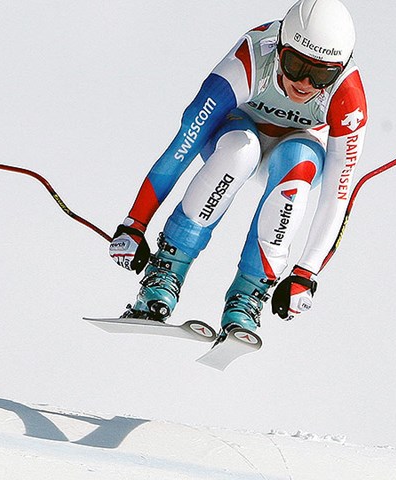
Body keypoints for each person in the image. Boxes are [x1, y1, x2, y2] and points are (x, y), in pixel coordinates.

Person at [108, 0, 367, 337]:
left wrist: (306, 273)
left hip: (298, 148)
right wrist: (135, 223)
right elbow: (182, 148)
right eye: (295, 65)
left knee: (297, 164)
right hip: (236, 131)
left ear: (339, 68)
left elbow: (337, 194)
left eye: (321, 74)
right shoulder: (248, 62)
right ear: (279, 50)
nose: (304, 83)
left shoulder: (348, 96)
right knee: (239, 152)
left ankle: (247, 296)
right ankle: (166, 271)